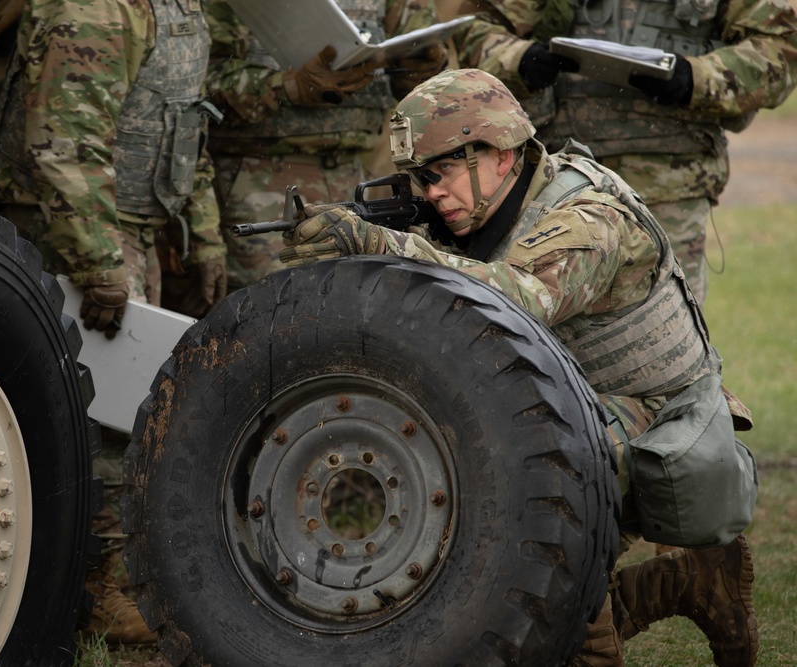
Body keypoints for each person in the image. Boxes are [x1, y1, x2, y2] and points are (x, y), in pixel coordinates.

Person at [278, 69, 758, 666]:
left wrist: (381, 247)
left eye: (439, 174)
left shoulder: (586, 215)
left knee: (528, 498)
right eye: (417, 180)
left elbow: (520, 299)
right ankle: (684, 585)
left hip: (667, 421)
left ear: (500, 153)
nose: (430, 195)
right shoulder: (478, 214)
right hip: (569, 406)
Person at [0, 0, 226, 645]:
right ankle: (94, 592)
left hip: (124, 229)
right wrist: (97, 260)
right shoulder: (97, 10)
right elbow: (61, 139)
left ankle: (117, 577)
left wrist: (203, 232)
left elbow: (185, 120)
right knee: (100, 420)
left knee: (131, 411)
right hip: (75, 229)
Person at [447, 0, 797, 305]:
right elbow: (474, 29)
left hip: (668, 177)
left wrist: (696, 77)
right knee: (538, 324)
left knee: (661, 330)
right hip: (554, 177)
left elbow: (781, 49)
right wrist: (519, 60)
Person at [202, 0, 449, 290]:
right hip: (258, 179)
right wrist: (290, 86)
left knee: (356, 299)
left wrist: (421, 65)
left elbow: (423, 77)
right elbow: (202, 79)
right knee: (271, 306)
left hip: (354, 178)